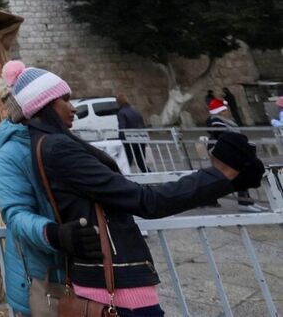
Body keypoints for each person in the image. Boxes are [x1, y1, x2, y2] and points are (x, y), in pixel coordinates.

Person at [16, 66, 265, 316]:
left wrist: (226, 181)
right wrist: (220, 177)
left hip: (102, 276)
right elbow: (146, 201)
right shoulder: (58, 148)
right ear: (45, 104)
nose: (73, 108)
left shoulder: (44, 143)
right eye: (65, 99)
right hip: (116, 285)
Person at [0, 61, 99, 317]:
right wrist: (55, 234)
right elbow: (16, 214)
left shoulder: (62, 144)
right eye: (63, 99)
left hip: (85, 270)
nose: (73, 108)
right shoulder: (10, 156)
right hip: (45, 277)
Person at [206, 99, 262, 212]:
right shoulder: (216, 121)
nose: (228, 112)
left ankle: (246, 201)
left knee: (240, 173)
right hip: (224, 151)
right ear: (220, 112)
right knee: (239, 173)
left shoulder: (225, 120)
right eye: (225, 110)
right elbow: (222, 135)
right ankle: (243, 202)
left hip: (229, 149)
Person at [115, 94, 150, 173]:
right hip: (140, 139)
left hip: (129, 141)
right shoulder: (135, 111)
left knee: (126, 162)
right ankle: (152, 176)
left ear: (118, 102)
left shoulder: (121, 113)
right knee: (141, 162)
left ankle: (122, 180)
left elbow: (122, 128)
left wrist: (120, 140)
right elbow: (142, 125)